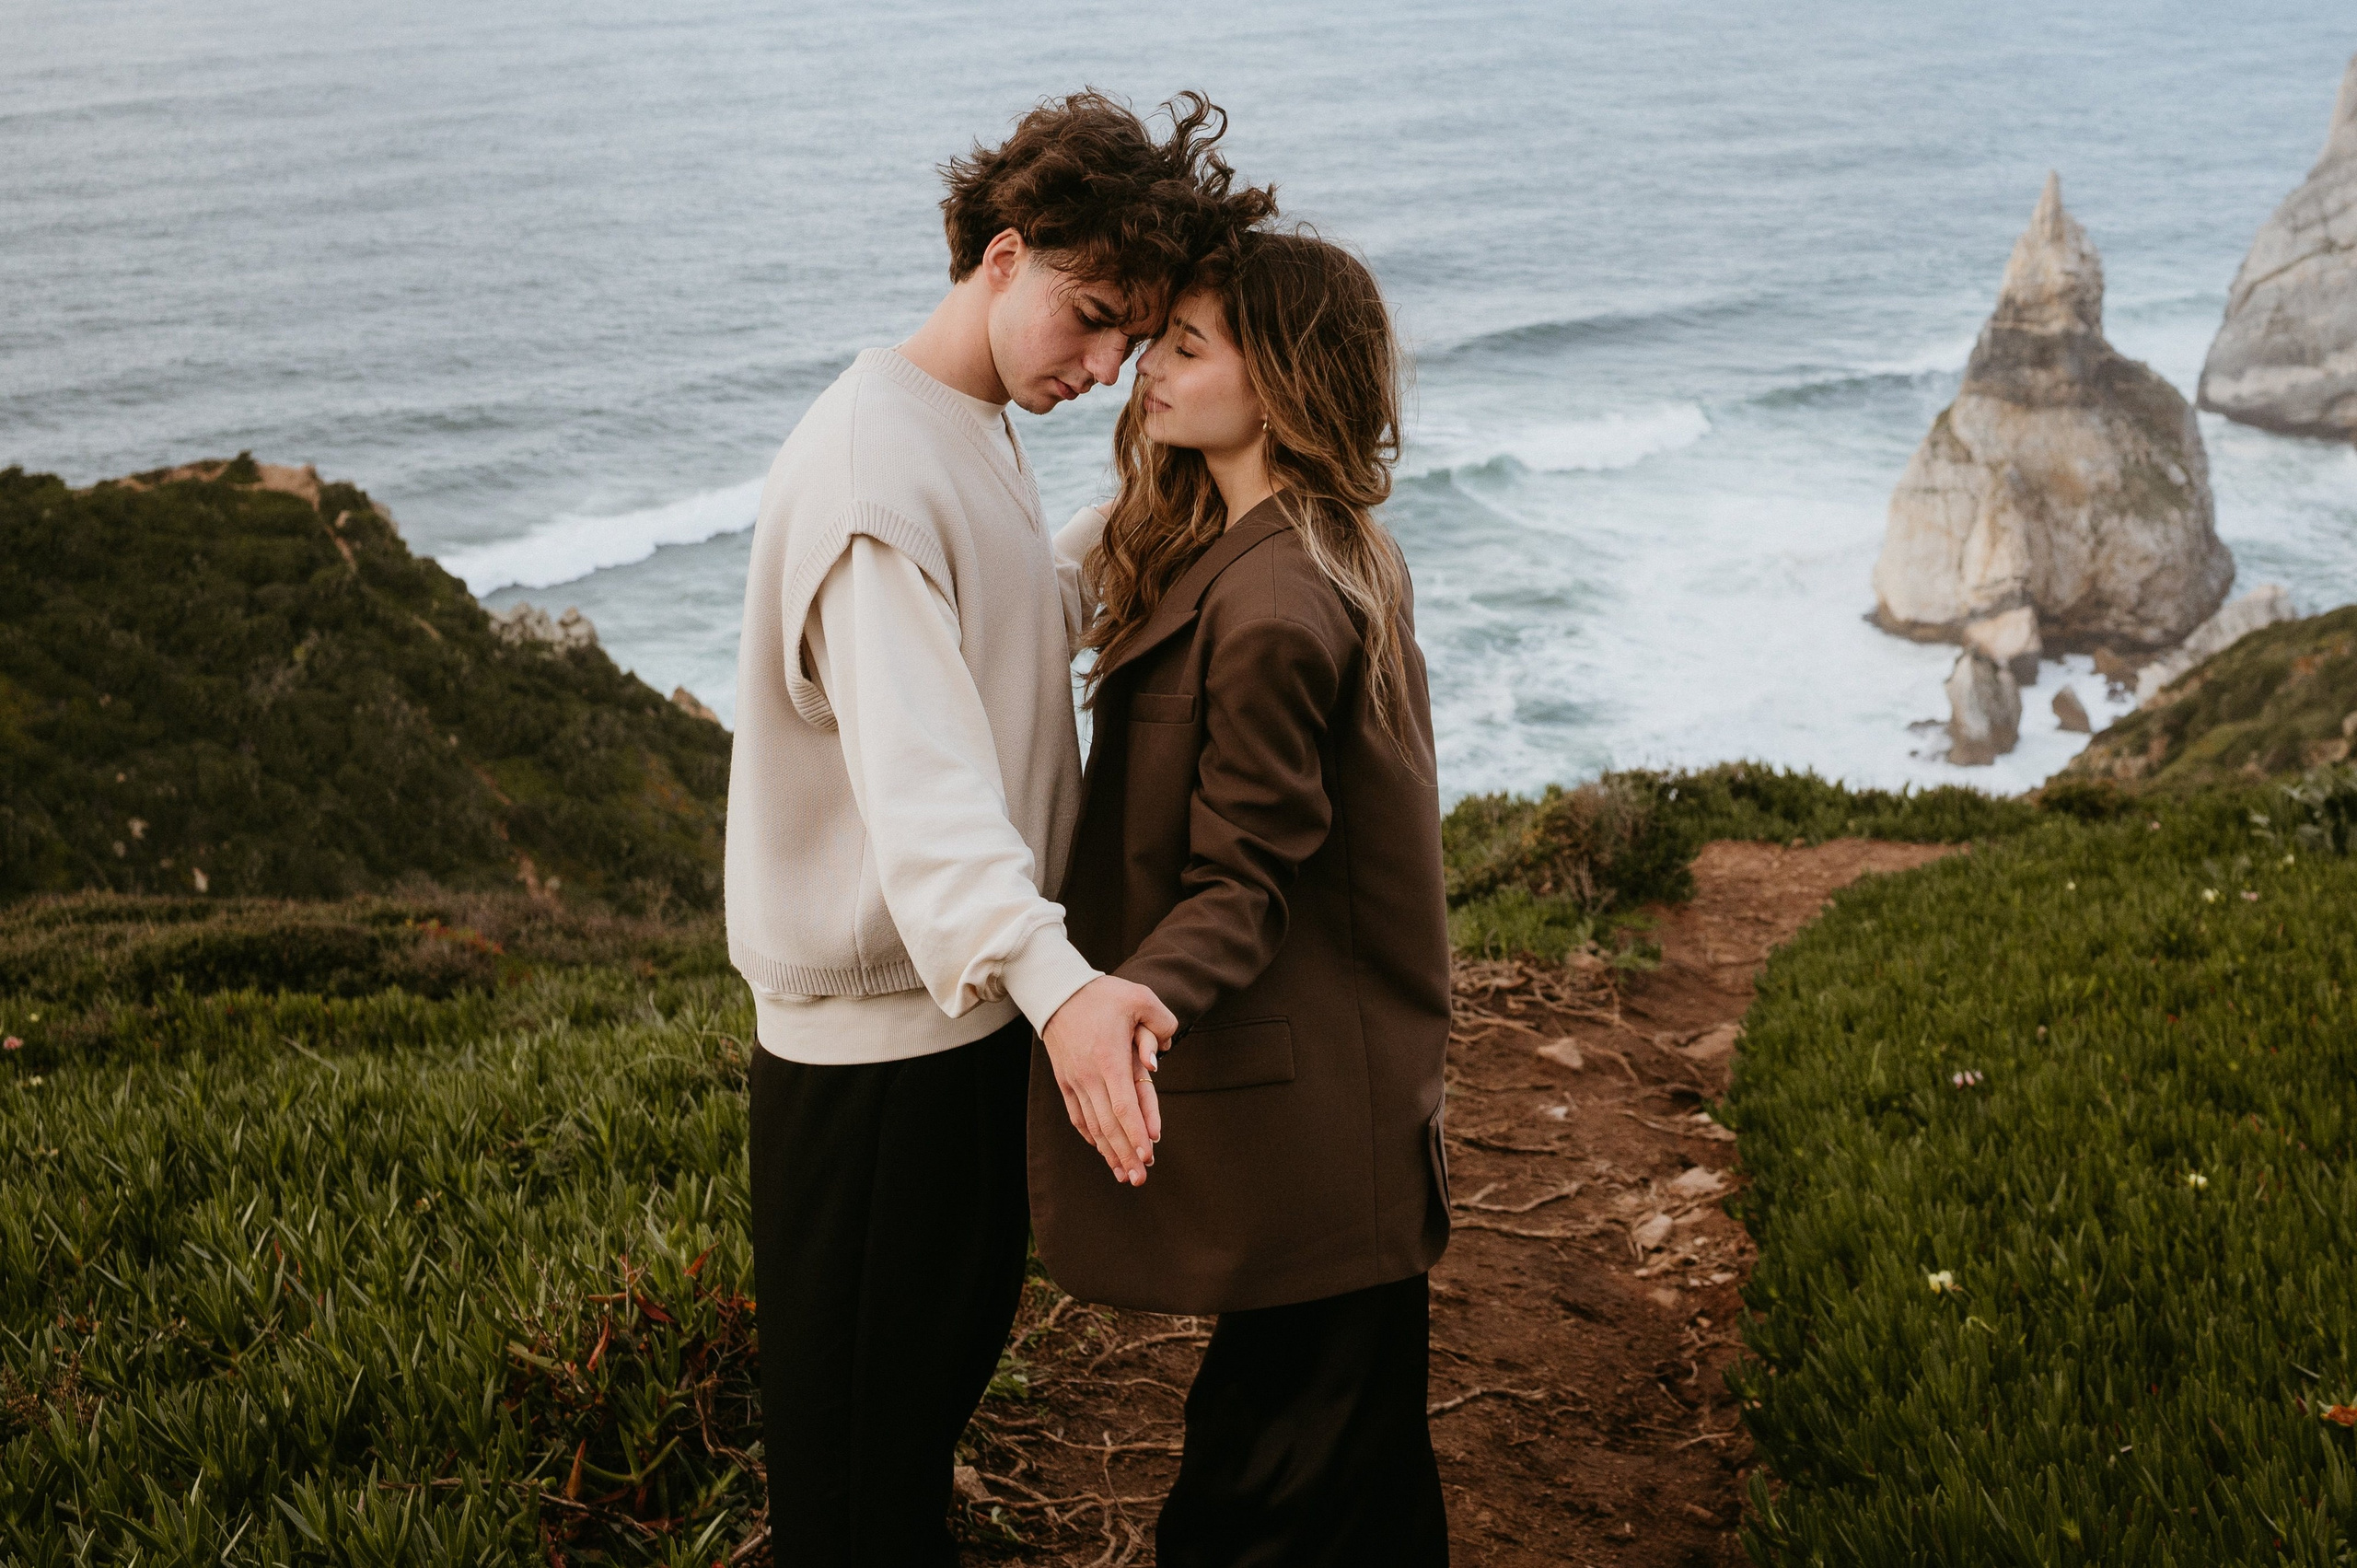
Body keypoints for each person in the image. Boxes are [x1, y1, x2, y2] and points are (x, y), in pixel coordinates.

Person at [724, 91, 1272, 1565]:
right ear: (1003, 254)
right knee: (854, 1491)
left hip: (959, 1037)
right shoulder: (869, 473)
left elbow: (1008, 610)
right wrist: (1068, 993)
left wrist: (1151, 538)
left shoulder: (958, 425)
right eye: (1089, 320)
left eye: (1133, 341)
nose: (1102, 369)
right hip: (876, 1079)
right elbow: (929, 797)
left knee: (907, 1441)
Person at [1030, 227, 1454, 1565]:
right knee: (1356, 1482)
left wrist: (1130, 997)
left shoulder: (1271, 601)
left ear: (1273, 384)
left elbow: (1250, 870)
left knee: (1254, 1510)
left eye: (1188, 346)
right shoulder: (1303, 541)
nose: (1149, 365)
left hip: (1321, 1131)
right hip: (1345, 1116)